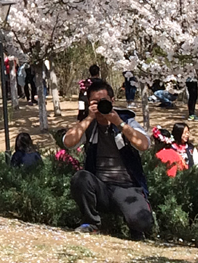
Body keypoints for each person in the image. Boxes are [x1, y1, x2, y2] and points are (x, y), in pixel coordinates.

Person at [63, 79, 152, 239]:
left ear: (112, 101)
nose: (100, 106)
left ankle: (135, 226)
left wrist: (118, 122)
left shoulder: (127, 121)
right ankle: (91, 223)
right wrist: (89, 118)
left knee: (143, 222)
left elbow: (144, 144)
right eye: (95, 102)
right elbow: (68, 142)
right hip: (101, 187)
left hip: (127, 189)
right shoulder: (90, 125)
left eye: (103, 102)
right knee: (80, 178)